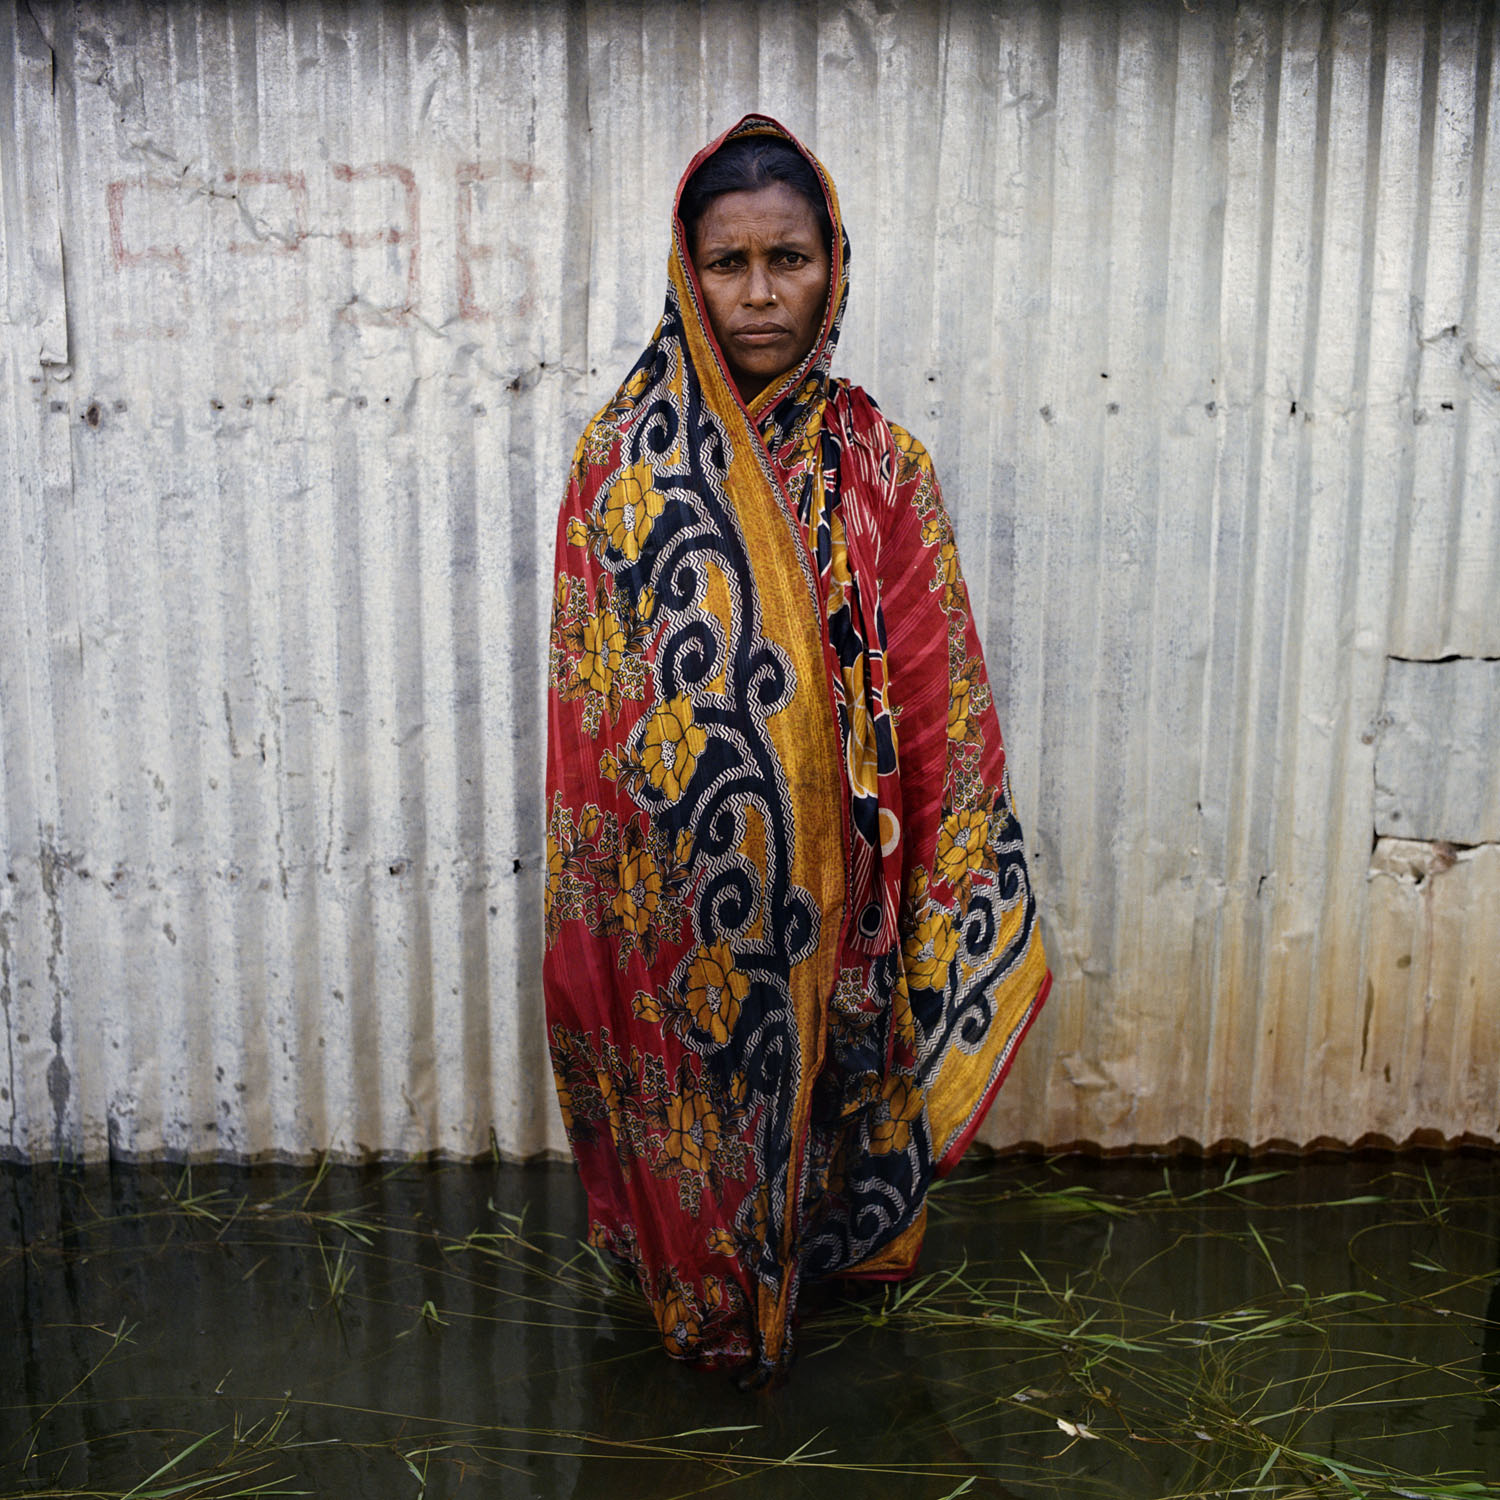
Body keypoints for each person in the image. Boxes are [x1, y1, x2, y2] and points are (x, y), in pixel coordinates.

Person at [543, 115, 1050, 1385]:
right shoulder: (623, 465)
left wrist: (932, 871)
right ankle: (706, 1301)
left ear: (835, 262)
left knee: (834, 1129)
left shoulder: (882, 464)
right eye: (729, 263)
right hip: (681, 908)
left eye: (790, 258)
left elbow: (937, 695)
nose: (761, 295)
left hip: (848, 895)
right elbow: (591, 723)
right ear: (685, 268)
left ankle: (821, 1289)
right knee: (702, 1144)